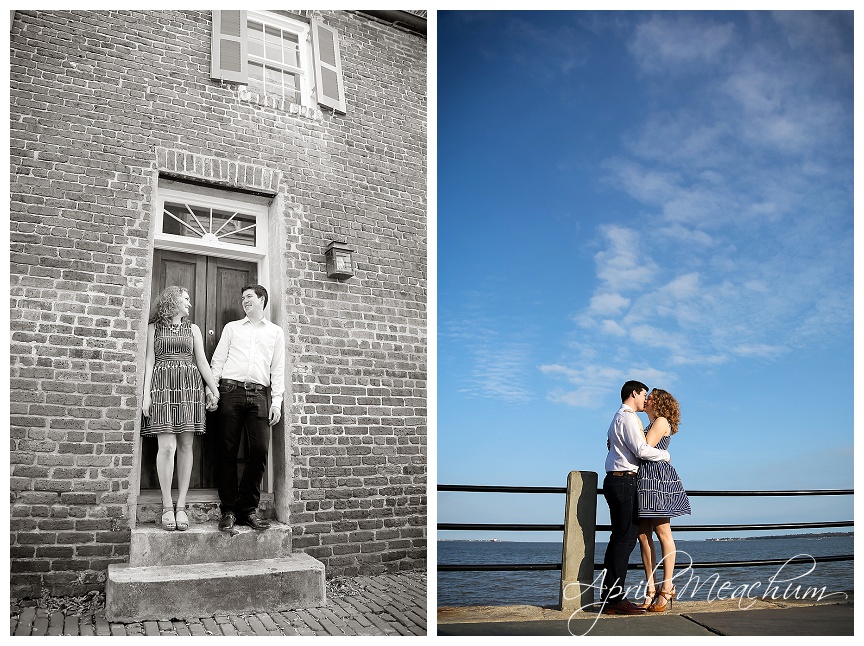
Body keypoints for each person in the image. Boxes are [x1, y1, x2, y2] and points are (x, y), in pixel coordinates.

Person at [141, 286, 219, 531]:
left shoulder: (193, 329)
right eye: (186, 299)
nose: (190, 304)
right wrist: (146, 396)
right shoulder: (154, 328)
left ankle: (182, 505)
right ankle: (166, 505)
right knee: (167, 447)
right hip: (162, 388)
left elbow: (202, 361)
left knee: (186, 445)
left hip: (189, 387)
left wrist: (214, 389)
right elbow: (149, 362)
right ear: (172, 300)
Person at [209, 284, 285, 532]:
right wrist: (213, 390)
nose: (244, 301)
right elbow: (218, 360)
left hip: (260, 394)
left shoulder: (275, 333)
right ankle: (229, 510)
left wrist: (277, 401)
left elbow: (278, 370)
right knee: (226, 451)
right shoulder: (232, 328)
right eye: (242, 298)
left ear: (262, 299)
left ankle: (248, 509)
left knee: (260, 450)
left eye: (249, 297)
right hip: (230, 391)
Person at [601, 380, 671, 615]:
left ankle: (611, 596)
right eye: (643, 394)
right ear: (634, 393)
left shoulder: (617, 418)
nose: (645, 399)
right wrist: (666, 454)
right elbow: (641, 450)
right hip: (624, 481)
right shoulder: (630, 417)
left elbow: (613, 444)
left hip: (615, 479)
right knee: (625, 539)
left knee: (621, 538)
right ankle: (614, 599)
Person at [635, 388, 691, 612]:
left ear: (659, 403)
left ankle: (666, 588)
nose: (646, 400)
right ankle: (650, 588)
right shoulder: (649, 423)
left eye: (650, 398)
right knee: (643, 535)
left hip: (656, 479)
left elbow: (643, 448)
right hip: (644, 478)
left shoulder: (660, 421)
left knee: (662, 532)